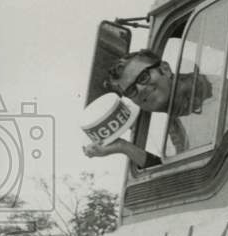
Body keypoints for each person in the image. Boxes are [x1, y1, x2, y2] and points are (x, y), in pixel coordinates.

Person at [83, 48, 212, 168]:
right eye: (131, 90)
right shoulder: (178, 120)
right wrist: (123, 147)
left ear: (165, 69)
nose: (141, 89)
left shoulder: (213, 94)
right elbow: (178, 172)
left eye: (143, 77)